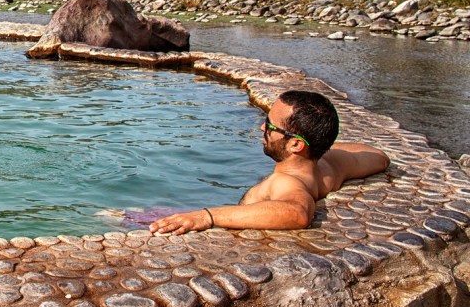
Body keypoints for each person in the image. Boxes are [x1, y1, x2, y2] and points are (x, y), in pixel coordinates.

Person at [149, 90, 389, 235]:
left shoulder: (287, 183)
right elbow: (377, 156)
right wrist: (320, 145)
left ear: (296, 145)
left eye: (271, 126)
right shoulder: (331, 164)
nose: (262, 127)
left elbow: (297, 213)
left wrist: (205, 217)